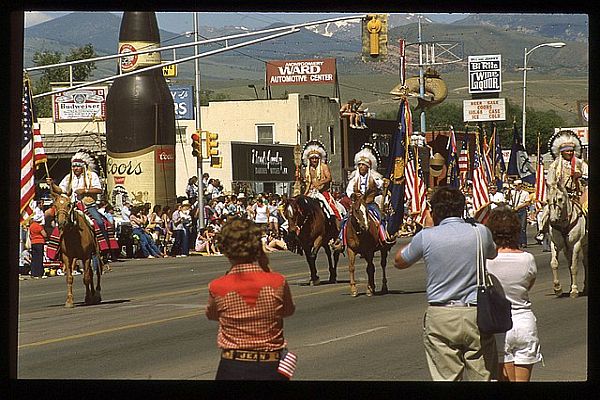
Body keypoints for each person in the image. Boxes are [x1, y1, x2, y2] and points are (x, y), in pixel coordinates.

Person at [394, 186, 498, 381]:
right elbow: (493, 252)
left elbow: (399, 261)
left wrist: (428, 229)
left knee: (446, 378)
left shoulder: (427, 236)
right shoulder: (480, 233)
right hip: (475, 313)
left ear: (434, 211)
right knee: (483, 377)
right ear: (462, 209)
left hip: (441, 315)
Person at [205, 217, 296, 380]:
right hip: (270, 365)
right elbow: (288, 311)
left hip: (232, 365)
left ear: (226, 249)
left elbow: (212, 315)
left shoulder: (217, 286)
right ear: (256, 247)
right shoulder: (277, 281)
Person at [485, 207, 543, 381]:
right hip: (524, 322)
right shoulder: (528, 258)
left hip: (499, 325)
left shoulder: (487, 260)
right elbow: (528, 284)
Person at [46, 149, 118, 259]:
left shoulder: (91, 175)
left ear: (83, 166)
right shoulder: (68, 177)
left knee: (100, 222)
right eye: (74, 166)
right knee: (60, 224)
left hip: (88, 206)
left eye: (77, 166)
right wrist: (52, 184)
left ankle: (103, 248)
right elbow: (61, 190)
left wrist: (85, 191)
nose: (75, 169)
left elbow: (98, 189)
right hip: (72, 207)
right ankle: (57, 250)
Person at [335, 144, 395, 249]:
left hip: (370, 204)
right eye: (360, 165)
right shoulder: (354, 179)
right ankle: (340, 240)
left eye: (364, 165)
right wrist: (353, 195)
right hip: (358, 205)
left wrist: (384, 183)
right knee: (345, 220)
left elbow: (380, 184)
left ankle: (385, 237)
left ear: (368, 167)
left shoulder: (373, 178)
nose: (361, 167)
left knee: (380, 218)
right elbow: (348, 190)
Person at [302, 140, 343, 233]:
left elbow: (329, 178)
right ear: (309, 159)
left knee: (331, 208)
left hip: (323, 192)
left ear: (319, 158)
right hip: (312, 192)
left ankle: (337, 231)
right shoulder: (308, 170)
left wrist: (319, 183)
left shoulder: (324, 166)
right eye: (312, 159)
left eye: (316, 158)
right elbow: (308, 183)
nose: (314, 160)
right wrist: (304, 194)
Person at [546, 130, 588, 214]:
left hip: (578, 195)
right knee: (547, 214)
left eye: (571, 151)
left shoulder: (580, 164)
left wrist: (581, 177)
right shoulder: (555, 166)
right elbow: (549, 182)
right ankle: (544, 226)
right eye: (567, 151)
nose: (569, 153)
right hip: (559, 196)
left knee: (587, 211)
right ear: (562, 152)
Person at [508, 179, 530, 248]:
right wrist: (508, 193)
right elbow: (508, 199)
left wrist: (519, 207)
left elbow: (527, 203)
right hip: (514, 210)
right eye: (514, 185)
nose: (515, 187)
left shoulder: (525, 193)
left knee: (522, 227)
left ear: (520, 185)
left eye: (516, 185)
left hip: (522, 211)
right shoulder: (512, 192)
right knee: (516, 227)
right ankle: (517, 242)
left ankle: (523, 242)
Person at [29, 213, 47, 279]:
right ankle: (39, 273)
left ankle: (33, 273)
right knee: (39, 259)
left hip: (33, 242)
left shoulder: (31, 226)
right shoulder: (38, 226)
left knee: (34, 259)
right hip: (39, 242)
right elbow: (44, 234)